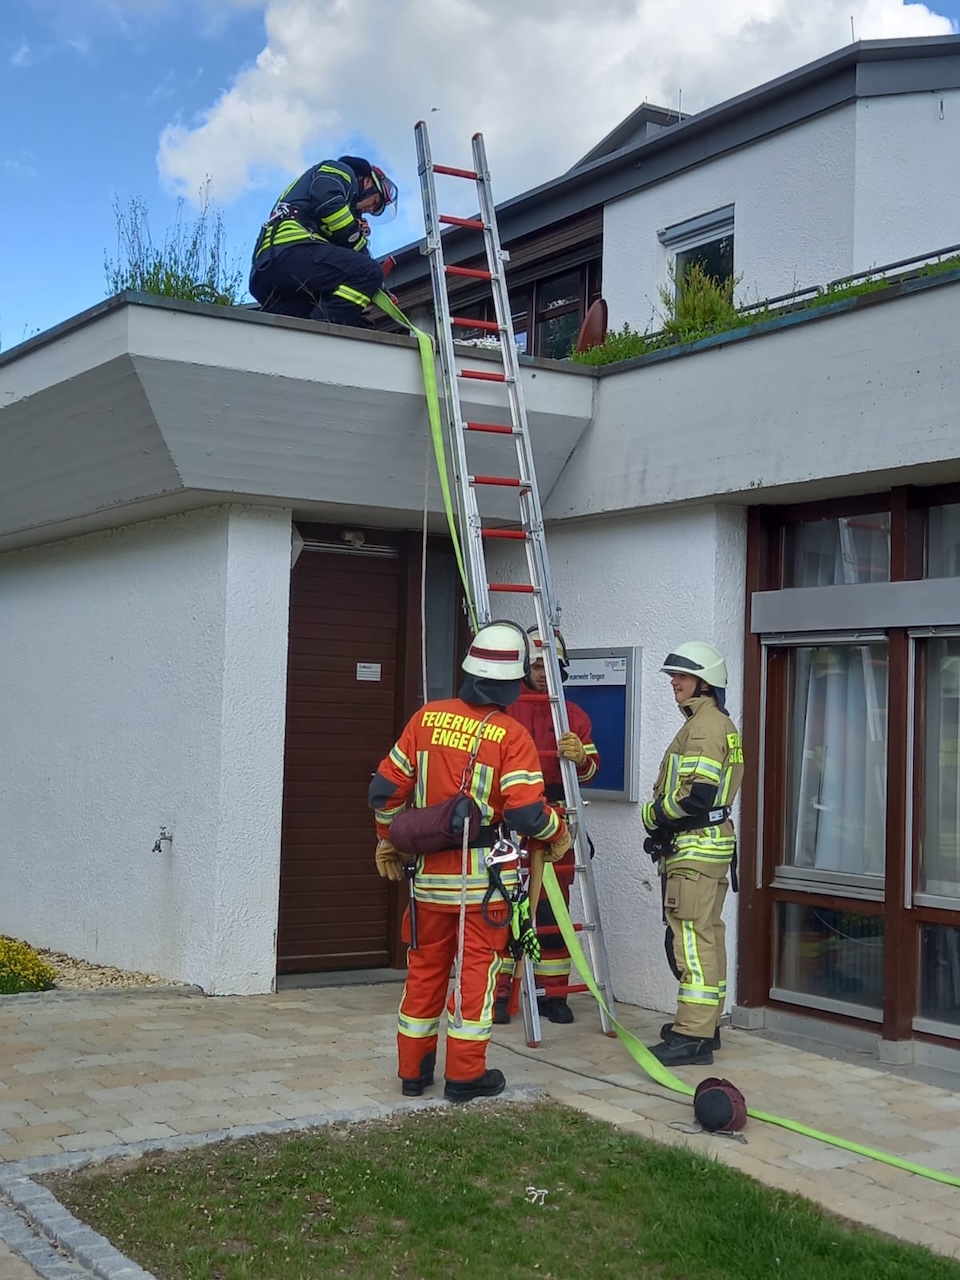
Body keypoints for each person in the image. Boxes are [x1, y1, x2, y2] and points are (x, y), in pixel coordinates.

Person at [368, 621, 572, 1104]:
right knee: (477, 974)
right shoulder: (511, 735)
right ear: (511, 683)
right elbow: (525, 813)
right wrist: (558, 832)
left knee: (424, 971)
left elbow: (384, 789)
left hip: (427, 880)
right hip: (484, 886)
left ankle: (413, 1073)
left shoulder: (426, 719)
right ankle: (464, 1076)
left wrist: (389, 840)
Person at [642, 642, 744, 1067]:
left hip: (694, 851)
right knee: (709, 936)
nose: (674, 682)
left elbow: (696, 797)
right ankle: (706, 1025)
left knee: (691, 941)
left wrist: (652, 816)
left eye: (682, 676)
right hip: (709, 848)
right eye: (673, 676)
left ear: (705, 682)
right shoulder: (717, 722)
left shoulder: (703, 727)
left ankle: (692, 1036)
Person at [494, 627, 600, 1025]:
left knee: (553, 914)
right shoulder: (505, 709)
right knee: (504, 908)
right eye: (537, 665)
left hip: (556, 824)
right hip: (511, 822)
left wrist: (582, 759)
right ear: (525, 666)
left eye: (550, 665)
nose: (543, 672)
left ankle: (552, 995)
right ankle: (500, 993)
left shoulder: (573, 715)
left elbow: (590, 772)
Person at [250, 156, 398, 327]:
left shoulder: (317, 201)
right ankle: (318, 334)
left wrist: (378, 287)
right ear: (367, 182)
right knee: (369, 272)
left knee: (356, 324)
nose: (369, 210)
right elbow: (328, 203)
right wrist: (371, 275)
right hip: (290, 252)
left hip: (266, 274)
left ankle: (300, 338)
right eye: (374, 202)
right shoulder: (341, 170)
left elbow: (344, 254)